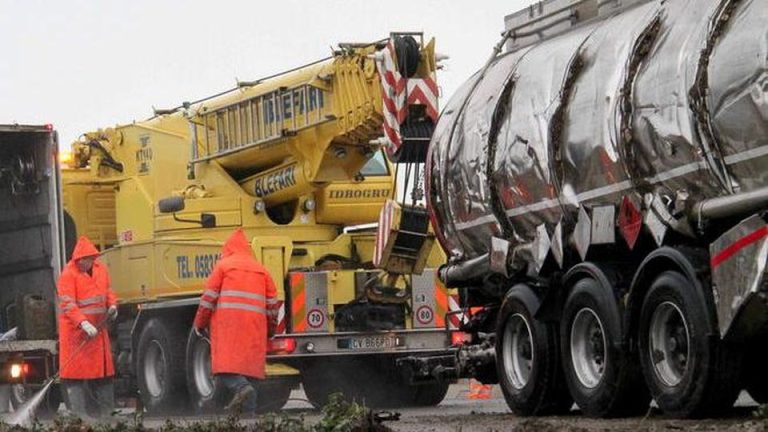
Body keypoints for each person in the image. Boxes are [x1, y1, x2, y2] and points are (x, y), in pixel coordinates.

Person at [193, 228, 278, 413]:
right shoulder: (262, 270)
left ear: (228, 249)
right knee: (250, 376)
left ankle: (241, 389)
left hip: (228, 329)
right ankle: (249, 419)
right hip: (254, 329)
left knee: (225, 369)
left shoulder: (223, 267)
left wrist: (199, 324)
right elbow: (273, 306)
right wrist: (271, 330)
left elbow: (208, 299)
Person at [57, 236, 118, 420]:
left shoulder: (101, 270)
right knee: (75, 375)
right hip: (76, 334)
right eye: (87, 260)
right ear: (79, 260)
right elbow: (68, 304)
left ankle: (107, 414)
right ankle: (80, 415)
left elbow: (108, 292)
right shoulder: (68, 274)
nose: (90, 263)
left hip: (97, 332)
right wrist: (83, 323)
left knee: (103, 374)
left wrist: (113, 305)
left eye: (92, 259)